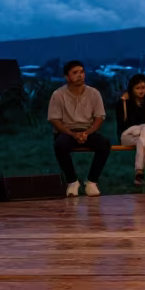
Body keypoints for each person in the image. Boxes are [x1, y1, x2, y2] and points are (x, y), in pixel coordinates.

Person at [48, 61, 111, 197]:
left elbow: (99, 117)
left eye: (82, 72)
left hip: (87, 131)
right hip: (67, 131)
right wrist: (73, 134)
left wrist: (87, 133)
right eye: (75, 73)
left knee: (104, 143)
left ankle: (92, 181)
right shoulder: (58, 94)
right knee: (60, 144)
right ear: (67, 77)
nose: (80, 75)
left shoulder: (94, 93)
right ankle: (72, 181)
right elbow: (54, 120)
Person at [118, 73, 145, 187]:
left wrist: (144, 130)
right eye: (138, 88)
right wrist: (140, 128)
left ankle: (139, 174)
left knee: (142, 138)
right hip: (127, 135)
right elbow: (122, 124)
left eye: (143, 88)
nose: (141, 91)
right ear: (132, 88)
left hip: (143, 137)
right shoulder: (124, 102)